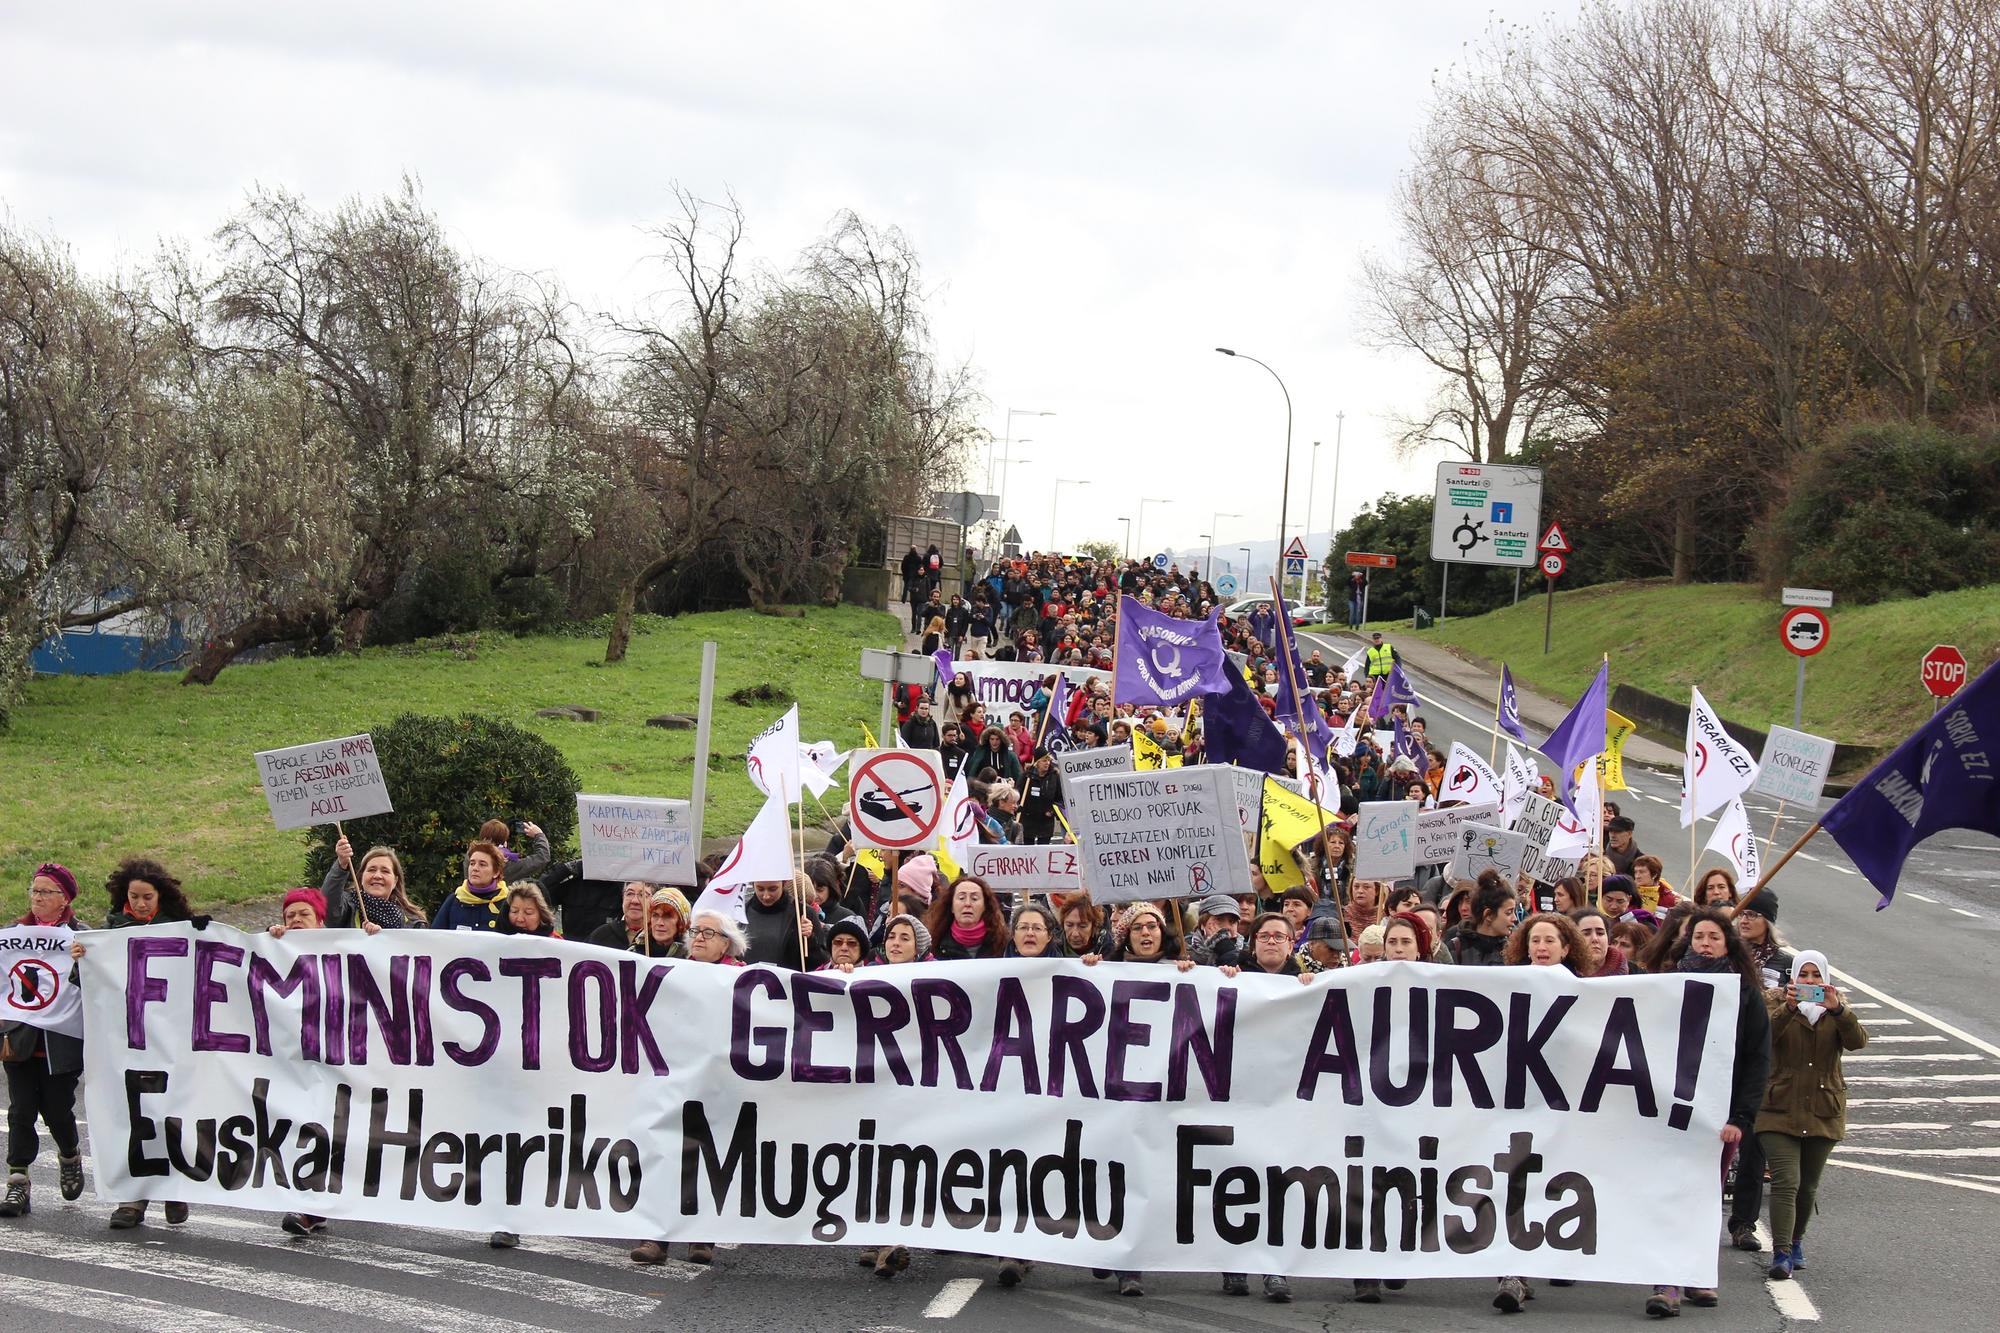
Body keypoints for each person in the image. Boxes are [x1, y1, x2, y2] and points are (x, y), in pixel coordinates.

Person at [1645, 908, 1772, 1317]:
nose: (1705, 943)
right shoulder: (1667, 986)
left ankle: (1698, 1274)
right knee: (1669, 1192)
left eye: (1714, 937)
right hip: (1667, 1110)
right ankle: (1666, 1281)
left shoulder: (1745, 994)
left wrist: (1742, 1118)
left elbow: (1757, 1059)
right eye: (1699, 936)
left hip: (1718, 1118)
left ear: (1728, 944)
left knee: (1703, 1195)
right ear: (1687, 941)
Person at [629, 910, 740, 1269]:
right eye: (696, 931)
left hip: (718, 1082)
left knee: (708, 1155)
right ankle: (655, 1236)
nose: (700, 938)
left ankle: (701, 1236)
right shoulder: (671, 972)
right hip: (673, 1077)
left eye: (709, 932)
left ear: (727, 942)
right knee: (664, 1151)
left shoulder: (742, 978)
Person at [1756, 948, 1866, 1281]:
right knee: (1786, 1182)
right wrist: (1789, 1008)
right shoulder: (1775, 1004)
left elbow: (1857, 1042)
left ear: (1826, 979)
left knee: (1808, 1187)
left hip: (1823, 1109)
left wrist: (1840, 1011)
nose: (1809, 982)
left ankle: (1797, 1239)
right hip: (1778, 1107)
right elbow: (1766, 1038)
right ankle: (1782, 1252)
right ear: (1792, 978)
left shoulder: (1837, 1009)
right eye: (1803, 975)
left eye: (1815, 976)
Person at [2, 864, 86, 1221]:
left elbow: (98, 985)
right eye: (34, 891)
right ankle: (18, 1180)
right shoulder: (11, 936)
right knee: (20, 1111)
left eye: (46, 892)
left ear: (63, 898)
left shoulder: (81, 937)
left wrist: (85, 962)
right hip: (19, 1040)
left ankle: (69, 1154)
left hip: (61, 1041)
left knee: (56, 1110)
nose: (37, 898)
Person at [743, 878, 824, 971]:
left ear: (784, 883)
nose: (766, 896)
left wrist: (810, 938)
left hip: (790, 983)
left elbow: (821, 963)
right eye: (760, 889)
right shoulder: (740, 913)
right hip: (746, 982)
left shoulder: (804, 913)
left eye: (772, 889)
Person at [924, 876, 1011, 960]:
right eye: (961, 898)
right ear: (951, 906)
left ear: (985, 906)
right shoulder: (933, 946)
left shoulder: (1004, 944)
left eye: (974, 898)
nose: (967, 904)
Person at [431, 841, 510, 931]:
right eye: (472, 863)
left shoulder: (507, 904)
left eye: (482, 864)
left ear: (496, 872)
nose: (475, 868)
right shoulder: (454, 900)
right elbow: (435, 936)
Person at [1451, 878, 1516, 966]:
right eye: (1508, 913)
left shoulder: (1514, 952)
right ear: (1488, 915)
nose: (1514, 918)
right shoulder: (1456, 947)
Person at [1504, 911, 1590, 974]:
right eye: (1535, 941)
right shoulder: (1514, 982)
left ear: (1565, 950)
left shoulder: (1579, 985)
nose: (1541, 948)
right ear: (1528, 949)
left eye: (1549, 941)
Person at [479, 817, 551, 886]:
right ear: (504, 843)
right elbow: (542, 857)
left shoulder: (471, 858)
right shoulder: (507, 865)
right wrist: (539, 834)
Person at [590, 881, 653, 951]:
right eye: (629, 894)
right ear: (623, 898)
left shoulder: (659, 938)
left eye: (642, 895)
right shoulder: (602, 935)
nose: (635, 901)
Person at [1018, 749, 1062, 845]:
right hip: (1028, 820)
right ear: (1037, 762)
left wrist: (1052, 811)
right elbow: (1018, 795)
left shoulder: (1054, 777)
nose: (1047, 763)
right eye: (1044, 760)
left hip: (1046, 822)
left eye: (1048, 760)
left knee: (1043, 851)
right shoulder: (1027, 776)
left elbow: (1060, 798)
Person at [631, 887, 691, 958]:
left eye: (668, 917)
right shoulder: (634, 953)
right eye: (655, 915)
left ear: (681, 923)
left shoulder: (691, 957)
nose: (660, 923)